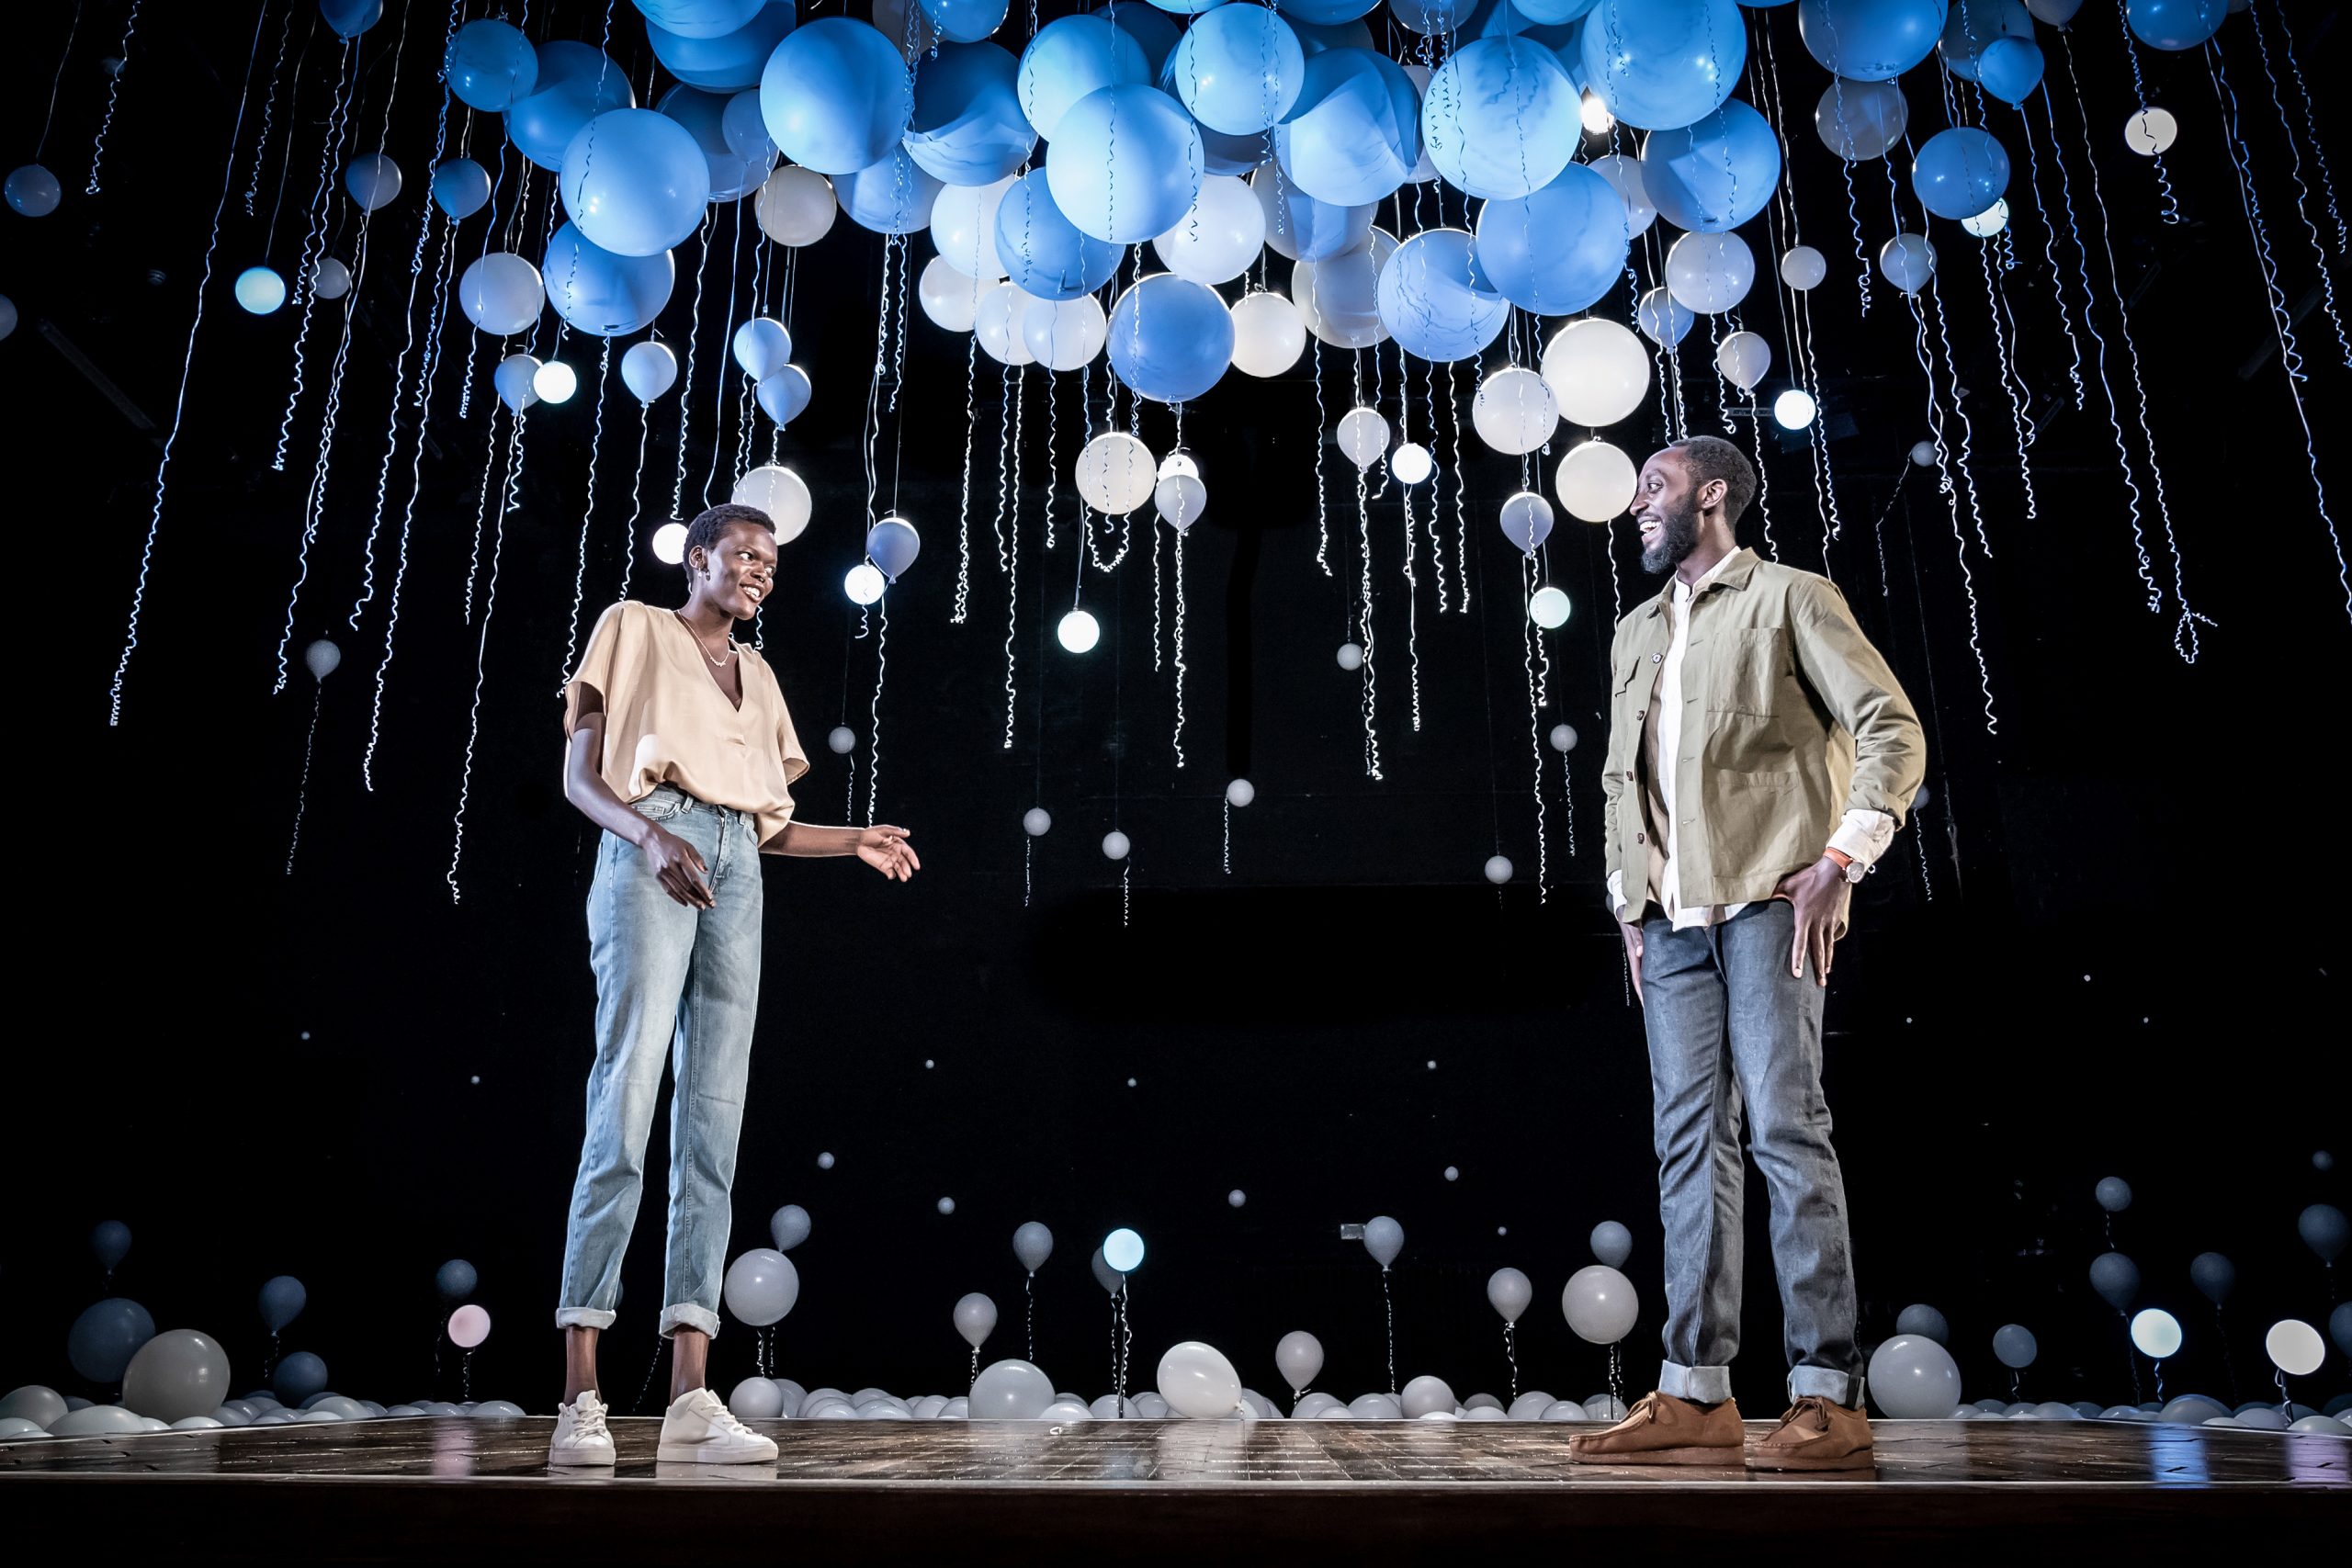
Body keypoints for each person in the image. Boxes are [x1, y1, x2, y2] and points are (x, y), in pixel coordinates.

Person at [1568, 437, 1923, 1472]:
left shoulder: (1793, 598)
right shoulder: (1635, 630)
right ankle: (1696, 1394)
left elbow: (1887, 728)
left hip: (1773, 901)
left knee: (1783, 1129)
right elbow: (1614, 783)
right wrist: (1626, 905)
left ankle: (1825, 1393)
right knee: (1687, 1147)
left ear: (1709, 496)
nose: (1636, 505)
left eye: (1654, 487)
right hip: (1669, 927)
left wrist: (1842, 859)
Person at [546, 502, 921, 1467]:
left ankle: (689, 1396)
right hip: (650, 848)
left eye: (772, 563)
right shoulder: (633, 626)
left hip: (733, 871)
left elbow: (762, 822)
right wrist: (650, 834)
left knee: (711, 1123)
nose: (760, 571)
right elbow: (581, 782)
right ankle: (580, 1393)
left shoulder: (758, 675)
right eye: (744, 555)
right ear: (699, 557)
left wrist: (853, 842)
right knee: (626, 1098)